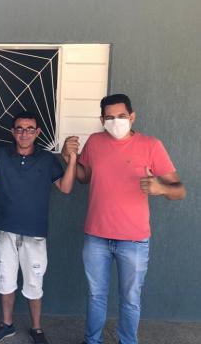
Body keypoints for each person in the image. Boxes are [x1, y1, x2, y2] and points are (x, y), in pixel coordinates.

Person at [61, 94, 186, 344]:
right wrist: (69, 158)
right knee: (96, 296)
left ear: (132, 116)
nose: (115, 121)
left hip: (134, 239)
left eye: (121, 116)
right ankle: (92, 341)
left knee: (130, 299)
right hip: (96, 235)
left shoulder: (151, 145)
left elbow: (179, 190)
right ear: (101, 120)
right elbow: (85, 177)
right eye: (109, 117)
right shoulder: (95, 142)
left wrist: (160, 188)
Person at [0, 111, 77, 344]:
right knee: (5, 280)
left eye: (29, 129)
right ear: (12, 131)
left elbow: (66, 188)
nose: (24, 133)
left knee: (34, 283)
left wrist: (73, 159)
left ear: (38, 132)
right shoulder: (1, 155)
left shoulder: (47, 159)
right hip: (5, 230)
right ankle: (6, 325)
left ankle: (37, 328)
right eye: (19, 128)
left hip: (35, 234)